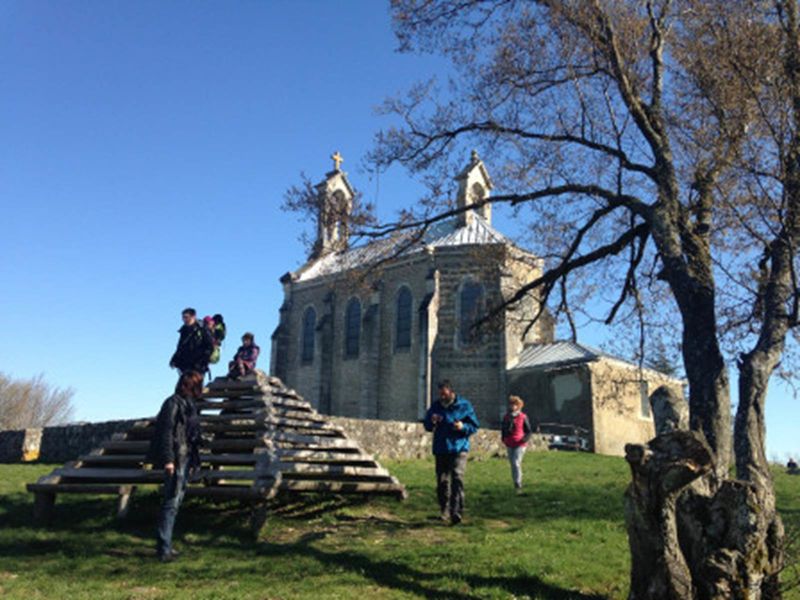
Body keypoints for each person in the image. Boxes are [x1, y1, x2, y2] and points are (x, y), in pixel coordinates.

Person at [147, 370, 203, 562]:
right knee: (170, 503)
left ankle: (166, 545)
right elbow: (166, 433)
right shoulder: (172, 403)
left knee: (175, 503)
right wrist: (168, 460)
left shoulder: (190, 405)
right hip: (177, 459)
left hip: (186, 458)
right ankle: (163, 549)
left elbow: (191, 434)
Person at [423, 380, 479, 525]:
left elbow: (474, 426)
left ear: (451, 392)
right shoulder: (435, 406)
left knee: (457, 478)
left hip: (459, 447)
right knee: (442, 482)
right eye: (440, 393)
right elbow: (427, 425)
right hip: (441, 448)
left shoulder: (464, 405)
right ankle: (444, 510)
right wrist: (432, 421)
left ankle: (457, 512)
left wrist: (462, 427)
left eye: (444, 393)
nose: (442, 396)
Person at [501, 395, 533, 493]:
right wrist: (504, 438)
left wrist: (524, 440)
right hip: (509, 443)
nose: (513, 406)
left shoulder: (523, 417)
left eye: (515, 404)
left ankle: (518, 483)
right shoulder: (506, 417)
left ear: (519, 406)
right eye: (511, 404)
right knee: (512, 464)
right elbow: (503, 429)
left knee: (516, 463)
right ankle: (515, 482)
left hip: (520, 443)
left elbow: (529, 431)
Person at [169, 308, 214, 375]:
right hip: (185, 365)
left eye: (186, 317)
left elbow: (209, 346)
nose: (184, 320)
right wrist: (174, 359)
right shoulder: (184, 330)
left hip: (198, 366)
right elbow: (180, 347)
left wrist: (202, 361)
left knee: (194, 384)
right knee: (184, 384)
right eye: (183, 318)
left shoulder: (202, 329)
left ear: (193, 317)